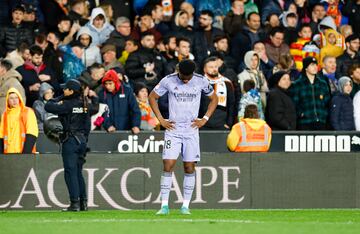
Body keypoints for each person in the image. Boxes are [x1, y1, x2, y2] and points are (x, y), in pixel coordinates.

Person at [149, 59, 218, 215]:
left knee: (189, 167)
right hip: (173, 129)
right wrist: (161, 119)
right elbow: (152, 97)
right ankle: (164, 205)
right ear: (178, 70)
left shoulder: (201, 81)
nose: (186, 79)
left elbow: (214, 99)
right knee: (168, 164)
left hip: (191, 130)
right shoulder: (168, 80)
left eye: (188, 77)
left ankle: (185, 206)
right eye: (183, 76)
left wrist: (204, 119)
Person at [44, 79, 92, 212]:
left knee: (70, 173)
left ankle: (74, 204)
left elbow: (48, 106)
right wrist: (84, 140)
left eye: (65, 89)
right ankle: (83, 203)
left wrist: (59, 97)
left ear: (71, 91)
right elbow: (88, 125)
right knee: (78, 172)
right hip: (82, 140)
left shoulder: (67, 104)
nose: (63, 90)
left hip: (70, 141)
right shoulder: (85, 104)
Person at [290, 57, 331, 130]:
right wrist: (301, 114)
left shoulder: (323, 83)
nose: (315, 67)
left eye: (316, 65)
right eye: (312, 65)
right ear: (306, 67)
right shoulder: (297, 84)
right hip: (304, 122)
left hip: (321, 122)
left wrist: (324, 114)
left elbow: (327, 102)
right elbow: (294, 103)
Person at [0, 87, 38, 154]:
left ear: (19, 98)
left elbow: (32, 132)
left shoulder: (27, 111)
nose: (14, 100)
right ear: (7, 101)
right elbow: (1, 135)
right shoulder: (5, 115)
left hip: (23, 153)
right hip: (8, 154)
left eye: (16, 97)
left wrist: (25, 154)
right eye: (11, 98)